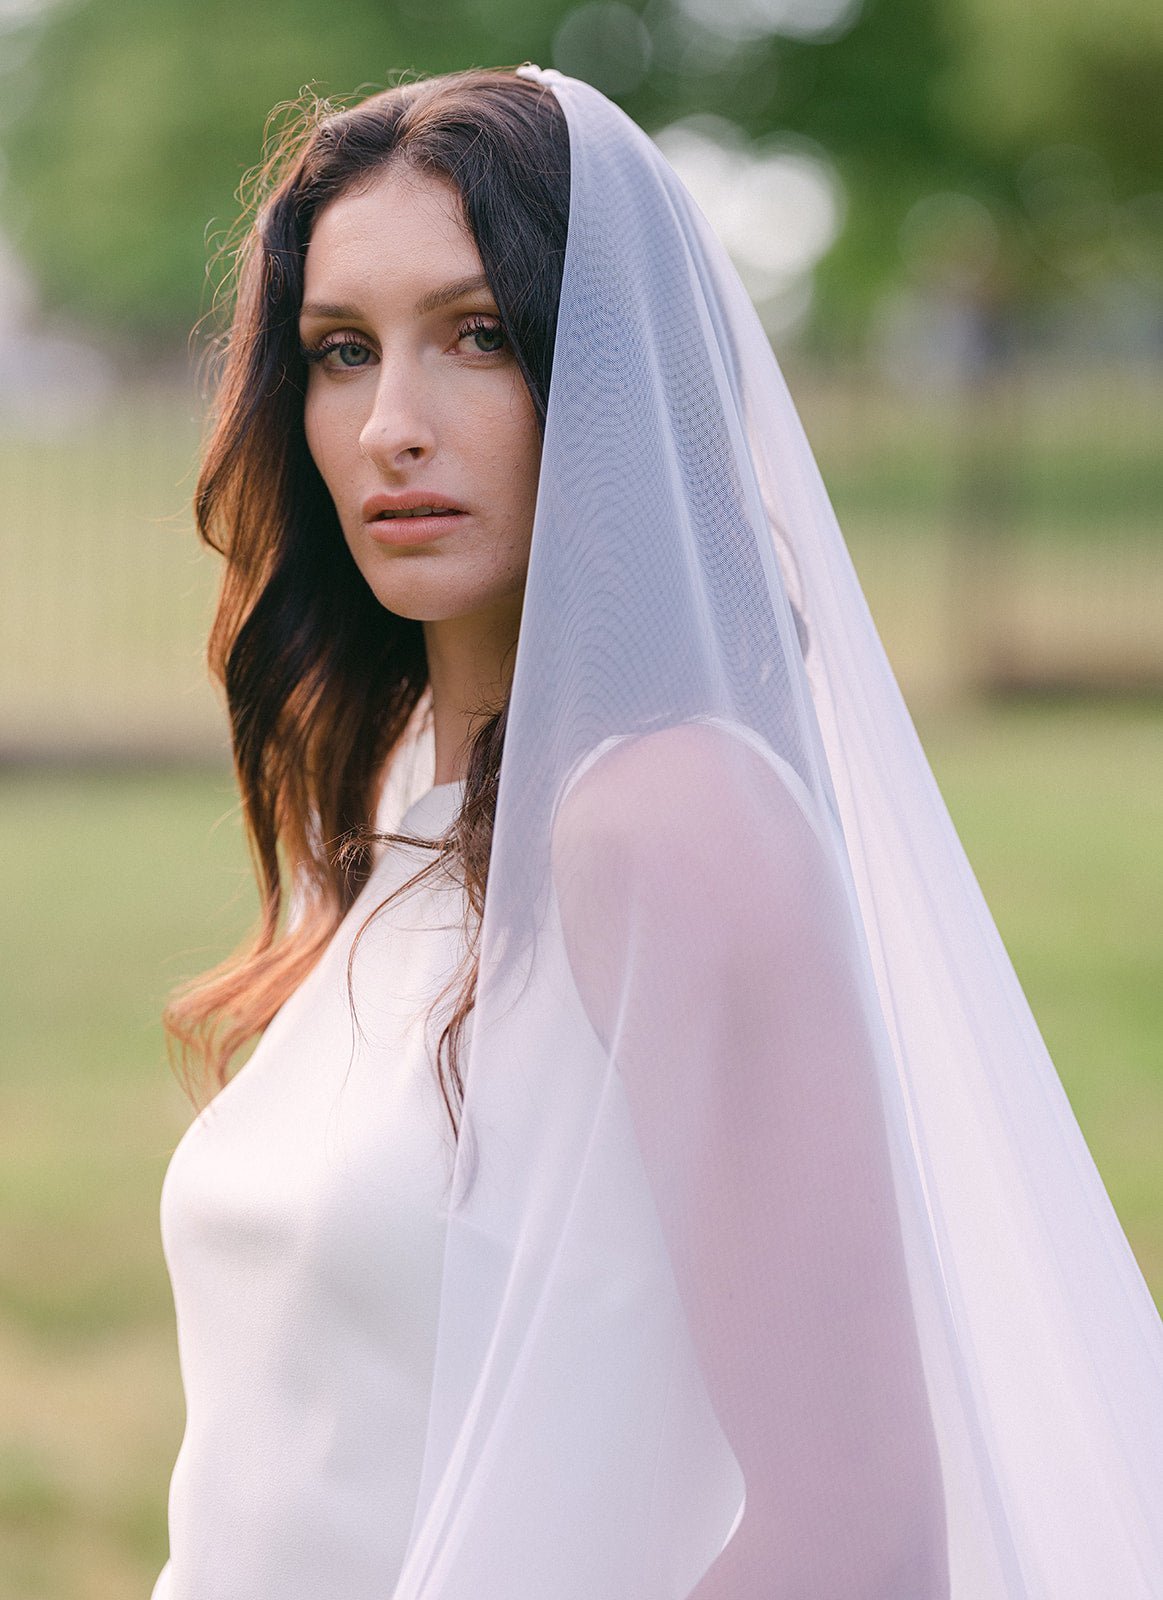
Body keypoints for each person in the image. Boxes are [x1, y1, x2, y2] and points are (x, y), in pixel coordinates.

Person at [151, 62, 1163, 1600]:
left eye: (478, 336)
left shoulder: (671, 823)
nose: (392, 427)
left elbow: (857, 1547)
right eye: (341, 352)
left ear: (609, 369)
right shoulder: (402, 805)